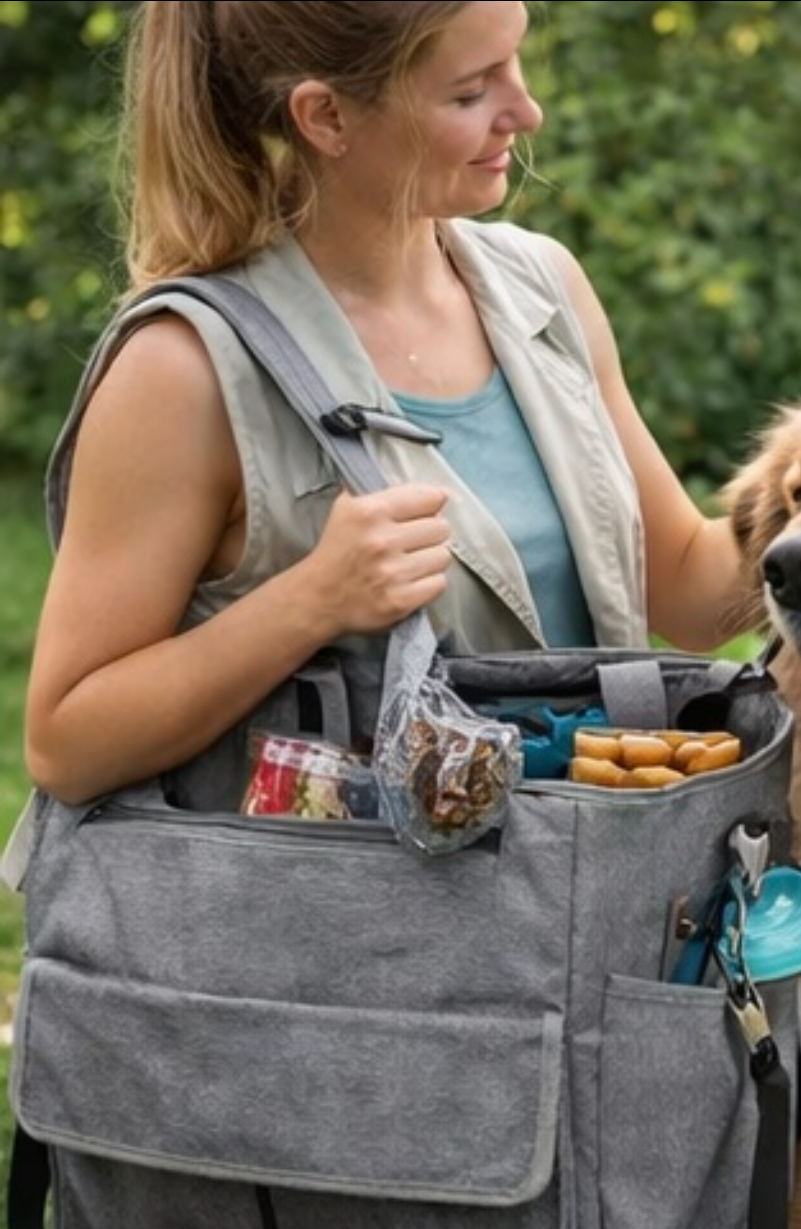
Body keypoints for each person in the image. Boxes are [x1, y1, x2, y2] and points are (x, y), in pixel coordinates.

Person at [23, 0, 747, 808]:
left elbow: (690, 592)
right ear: (326, 116)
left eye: (516, 62)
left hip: (589, 881)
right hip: (346, 893)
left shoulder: (543, 292)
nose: (526, 111)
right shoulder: (184, 369)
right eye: (471, 91)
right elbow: (65, 744)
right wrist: (312, 600)